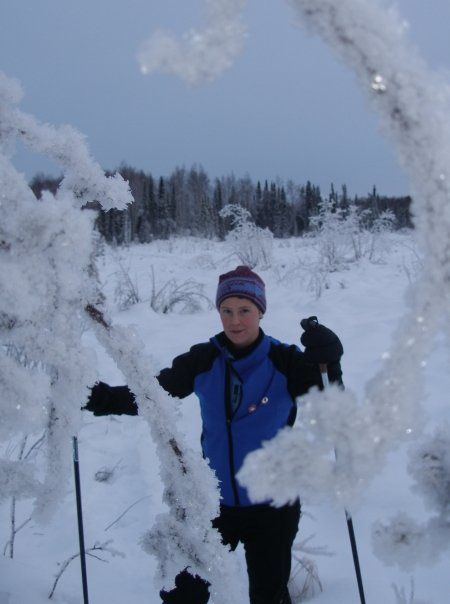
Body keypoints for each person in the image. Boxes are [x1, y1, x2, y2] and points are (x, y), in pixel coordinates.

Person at [84, 265, 343, 604]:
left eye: (245, 310)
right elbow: (151, 395)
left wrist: (329, 361)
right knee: (183, 595)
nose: (235, 321)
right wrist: (93, 396)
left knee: (269, 596)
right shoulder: (203, 359)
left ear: (260, 311)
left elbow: (332, 405)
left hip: (274, 507)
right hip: (212, 503)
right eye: (227, 311)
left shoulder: (286, 362)